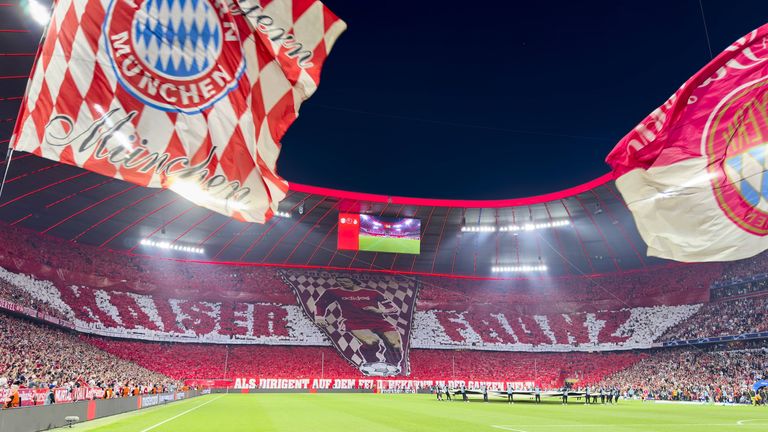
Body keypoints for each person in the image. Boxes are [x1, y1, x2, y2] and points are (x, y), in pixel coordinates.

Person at [313, 277, 403, 374]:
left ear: (354, 281)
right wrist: (319, 317)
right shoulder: (333, 292)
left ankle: (392, 366)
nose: (343, 283)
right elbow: (321, 304)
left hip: (378, 320)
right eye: (340, 281)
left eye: (345, 280)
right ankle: (371, 363)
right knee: (371, 341)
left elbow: (393, 308)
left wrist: (381, 310)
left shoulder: (372, 293)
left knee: (395, 343)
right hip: (354, 321)